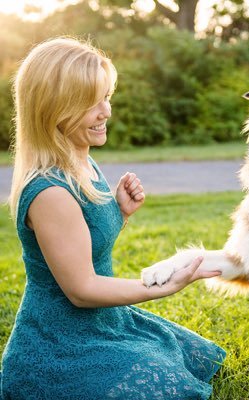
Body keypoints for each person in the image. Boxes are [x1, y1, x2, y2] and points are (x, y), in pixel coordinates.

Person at [1, 37, 225, 400]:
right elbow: (83, 290)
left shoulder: (81, 159)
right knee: (161, 382)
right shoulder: (49, 192)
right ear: (55, 108)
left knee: (189, 357)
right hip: (61, 341)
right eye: (92, 103)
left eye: (107, 96)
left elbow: (83, 246)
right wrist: (162, 286)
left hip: (105, 320)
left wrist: (118, 213)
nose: (106, 111)